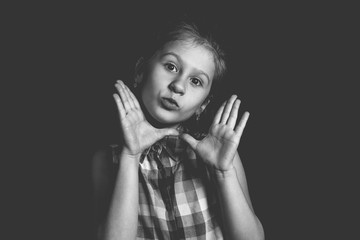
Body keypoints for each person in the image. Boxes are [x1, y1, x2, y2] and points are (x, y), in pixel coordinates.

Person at [91, 18, 264, 240]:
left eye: (196, 81)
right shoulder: (107, 160)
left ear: (203, 105)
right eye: (171, 67)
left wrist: (223, 174)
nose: (178, 86)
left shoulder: (219, 156)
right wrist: (130, 156)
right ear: (140, 71)